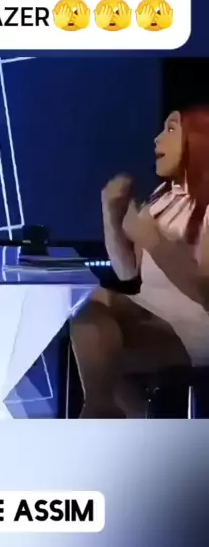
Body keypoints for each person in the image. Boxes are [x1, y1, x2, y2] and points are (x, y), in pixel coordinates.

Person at [71, 107, 209, 418]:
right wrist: (111, 214)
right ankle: (100, 408)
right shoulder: (164, 198)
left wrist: (154, 240)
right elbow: (127, 272)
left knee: (106, 358)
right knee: (93, 307)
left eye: (171, 130)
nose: (157, 139)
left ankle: (106, 414)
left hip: (197, 332)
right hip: (156, 316)